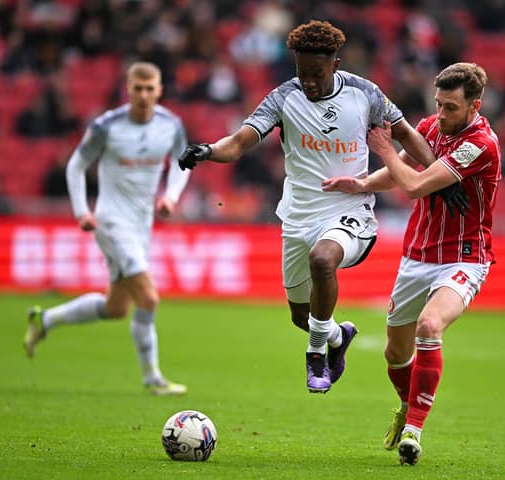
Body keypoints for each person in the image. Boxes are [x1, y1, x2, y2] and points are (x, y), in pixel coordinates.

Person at [177, 20, 441, 395]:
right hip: (298, 216)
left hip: (349, 210)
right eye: (302, 74)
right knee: (303, 315)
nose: (309, 82)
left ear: (335, 64)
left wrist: (439, 173)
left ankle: (316, 354)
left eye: (317, 74)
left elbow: (407, 135)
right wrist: (206, 150)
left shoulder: (365, 93)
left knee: (323, 259)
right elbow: (239, 142)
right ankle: (336, 335)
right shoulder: (284, 97)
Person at [322, 62, 501, 465]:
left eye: (451, 107)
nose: (441, 114)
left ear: (475, 106)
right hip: (416, 256)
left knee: (429, 325)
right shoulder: (431, 127)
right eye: (438, 104)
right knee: (395, 354)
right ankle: (407, 406)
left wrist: (383, 146)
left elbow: (415, 185)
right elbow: (399, 170)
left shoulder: (481, 144)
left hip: (464, 257)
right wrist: (364, 182)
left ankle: (414, 431)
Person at [23, 62, 191, 396]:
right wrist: (82, 210)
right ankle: (152, 378)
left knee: (116, 308)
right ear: (127, 90)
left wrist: (170, 197)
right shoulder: (107, 126)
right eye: (137, 88)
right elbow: (76, 164)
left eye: (150, 88)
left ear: (159, 90)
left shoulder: (170, 125)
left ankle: (45, 320)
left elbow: (182, 161)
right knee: (149, 298)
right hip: (112, 221)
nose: (143, 95)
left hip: (142, 224)